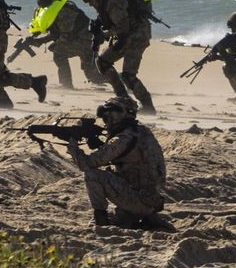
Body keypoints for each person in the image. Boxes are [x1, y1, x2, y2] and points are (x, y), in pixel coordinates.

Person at [66, 97, 167, 229]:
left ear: (118, 116)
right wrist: (101, 145)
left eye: (107, 118)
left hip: (138, 200)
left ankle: (101, 219)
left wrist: (72, 142)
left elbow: (85, 164)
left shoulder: (123, 138)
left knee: (92, 174)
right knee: (119, 220)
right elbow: (130, 159)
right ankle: (143, 218)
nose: (106, 122)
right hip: (149, 199)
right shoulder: (142, 132)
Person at [82, 0, 158, 114]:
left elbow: (123, 27)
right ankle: (123, 99)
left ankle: (148, 107)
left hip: (137, 36)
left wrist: (104, 35)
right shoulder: (105, 3)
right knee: (103, 62)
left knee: (128, 75)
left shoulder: (113, 3)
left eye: (91, 1)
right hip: (126, 37)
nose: (90, 4)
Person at [23, 0, 104, 89]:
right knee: (94, 77)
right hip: (85, 40)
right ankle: (122, 79)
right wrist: (36, 37)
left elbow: (64, 35)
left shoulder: (64, 11)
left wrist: (42, 41)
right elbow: (56, 31)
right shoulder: (57, 9)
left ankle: (66, 85)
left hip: (86, 42)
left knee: (59, 54)